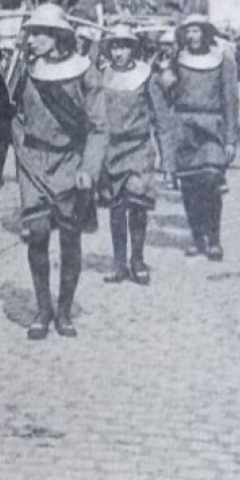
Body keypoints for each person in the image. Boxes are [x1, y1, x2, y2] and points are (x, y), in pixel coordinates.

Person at [9, 3, 107, 338]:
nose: (32, 39)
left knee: (69, 238)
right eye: (31, 33)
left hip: (70, 163)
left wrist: (89, 168)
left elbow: (98, 127)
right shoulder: (23, 70)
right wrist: (22, 152)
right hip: (35, 162)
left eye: (39, 33)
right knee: (36, 233)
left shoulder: (85, 72)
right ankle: (43, 308)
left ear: (58, 37)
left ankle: (64, 310)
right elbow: (11, 113)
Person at [158, 13, 240, 261]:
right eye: (189, 31)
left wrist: (230, 138)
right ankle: (197, 237)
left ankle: (214, 240)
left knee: (211, 181)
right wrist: (164, 78)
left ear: (206, 33)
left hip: (212, 126)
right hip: (184, 126)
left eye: (197, 31)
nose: (193, 36)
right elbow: (167, 95)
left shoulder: (222, 60)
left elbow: (230, 99)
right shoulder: (176, 60)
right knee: (190, 186)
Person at [97, 24, 167, 286]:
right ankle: (119, 263)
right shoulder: (101, 77)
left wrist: (165, 154)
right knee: (116, 208)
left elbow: (160, 116)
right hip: (110, 150)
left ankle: (137, 260)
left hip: (138, 148)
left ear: (133, 49)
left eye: (124, 46)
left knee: (137, 204)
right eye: (114, 46)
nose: (118, 52)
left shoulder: (147, 76)